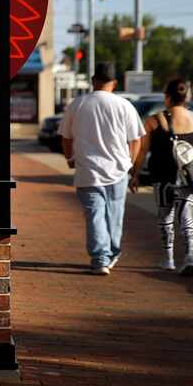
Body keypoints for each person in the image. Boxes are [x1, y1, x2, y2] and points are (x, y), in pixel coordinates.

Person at [60, 63, 145, 275]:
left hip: (88, 171)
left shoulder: (77, 104)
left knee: (94, 215)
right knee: (115, 215)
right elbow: (136, 139)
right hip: (118, 171)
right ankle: (112, 253)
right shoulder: (124, 105)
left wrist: (70, 158)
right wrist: (130, 162)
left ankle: (100, 258)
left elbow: (66, 137)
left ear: (93, 81)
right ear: (114, 83)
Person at [130, 78, 193, 276]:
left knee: (165, 216)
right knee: (187, 217)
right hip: (189, 177)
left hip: (162, 177)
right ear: (185, 97)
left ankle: (168, 259)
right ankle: (190, 256)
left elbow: (142, 151)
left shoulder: (154, 120)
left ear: (167, 97)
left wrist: (135, 174)